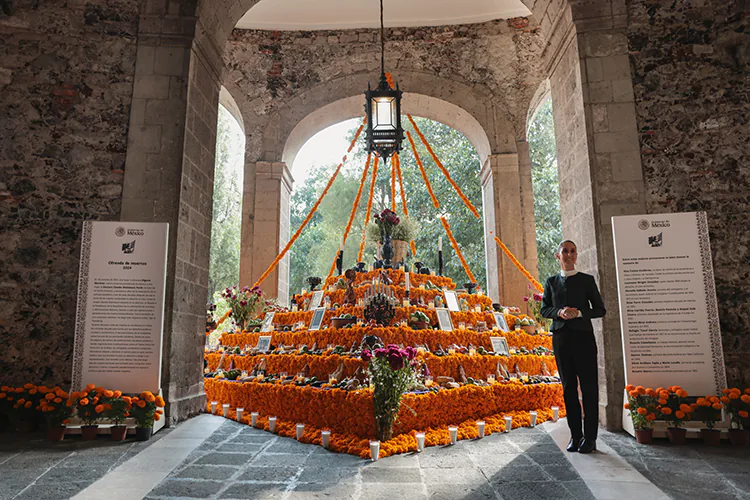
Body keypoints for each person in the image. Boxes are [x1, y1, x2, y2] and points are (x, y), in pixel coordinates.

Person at [541, 240, 606, 453]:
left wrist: (578, 312)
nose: (569, 255)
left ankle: (590, 438)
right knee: (568, 388)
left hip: (584, 339)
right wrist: (559, 312)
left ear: (576, 255)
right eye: (565, 251)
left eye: (572, 251)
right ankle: (575, 436)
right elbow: (545, 310)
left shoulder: (587, 281)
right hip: (561, 339)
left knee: (588, 387)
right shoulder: (551, 282)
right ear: (557, 256)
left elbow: (599, 310)